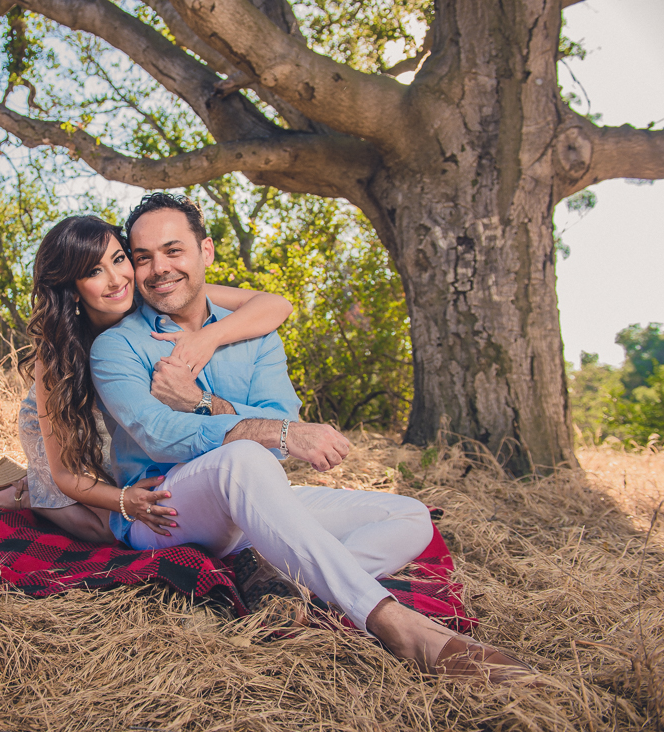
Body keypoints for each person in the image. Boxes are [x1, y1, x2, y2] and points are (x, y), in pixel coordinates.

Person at [87, 193, 534, 684]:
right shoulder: (117, 345)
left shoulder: (255, 336)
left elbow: (284, 419)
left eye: (173, 251)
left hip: (252, 497)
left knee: (408, 517)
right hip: (164, 507)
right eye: (143, 256)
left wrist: (205, 404)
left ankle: (278, 578)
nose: (158, 268)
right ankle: (397, 624)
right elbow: (160, 436)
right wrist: (271, 432)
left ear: (206, 253)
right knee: (243, 458)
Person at [0, 214, 293, 545]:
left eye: (119, 259)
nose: (116, 280)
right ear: (71, 289)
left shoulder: (153, 293)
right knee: (104, 532)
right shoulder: (56, 354)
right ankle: (25, 494)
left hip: (126, 417)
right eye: (94, 272)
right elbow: (65, 474)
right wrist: (124, 501)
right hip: (72, 419)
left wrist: (209, 337)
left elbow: (276, 304)